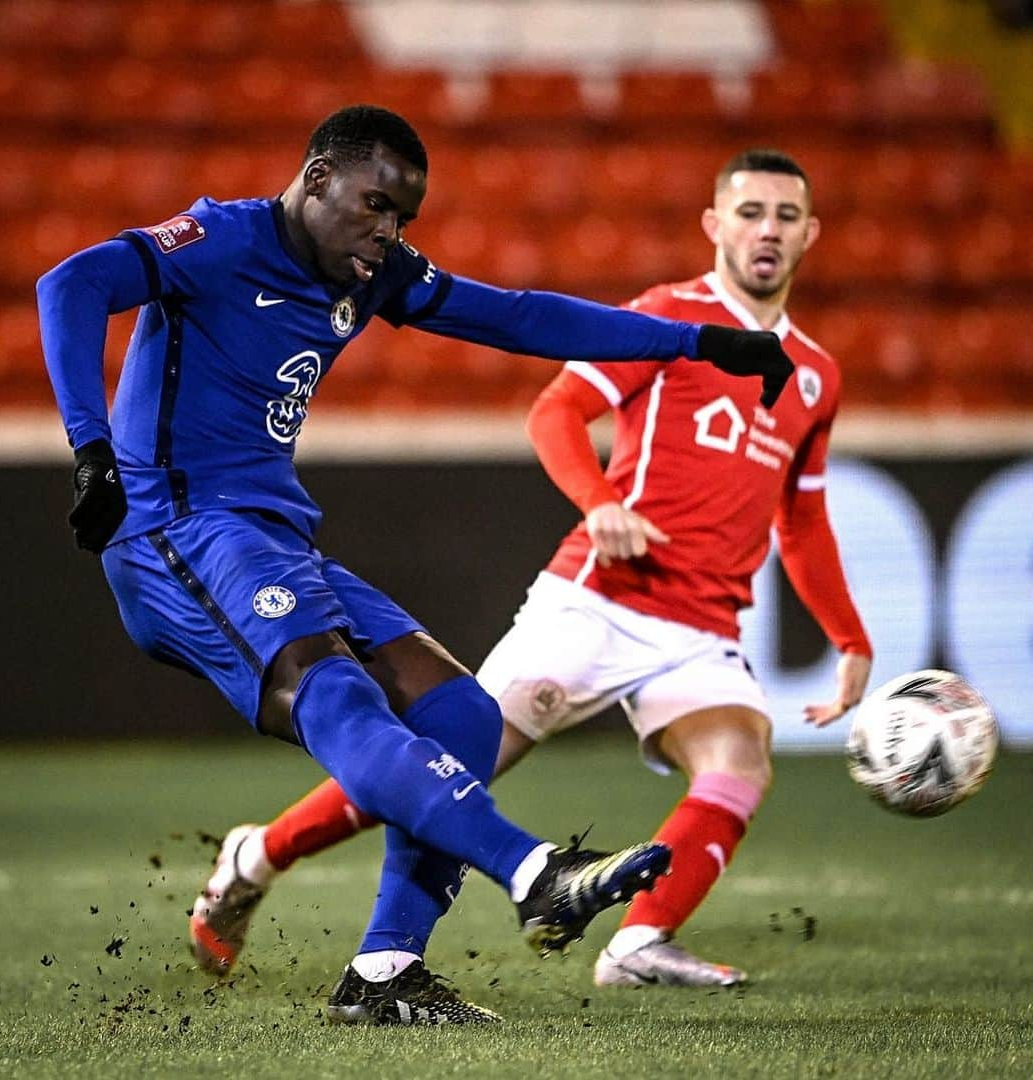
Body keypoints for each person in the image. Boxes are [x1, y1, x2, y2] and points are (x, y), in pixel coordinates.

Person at [37, 107, 796, 1025]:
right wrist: (91, 450)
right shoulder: (220, 239)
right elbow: (72, 282)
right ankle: (535, 871)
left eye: (403, 217)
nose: (388, 233)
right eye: (374, 205)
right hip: (177, 533)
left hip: (271, 535)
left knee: (464, 713)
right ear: (317, 179)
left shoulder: (373, 274)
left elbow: (517, 318)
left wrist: (700, 343)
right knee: (342, 697)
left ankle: (385, 974)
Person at [189, 147, 872, 992]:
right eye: (749, 212)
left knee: (740, 758)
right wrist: (599, 501)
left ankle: (639, 944)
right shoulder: (670, 317)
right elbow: (557, 412)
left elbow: (800, 516)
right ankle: (257, 856)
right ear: (715, 225)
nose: (766, 230)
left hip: (703, 625)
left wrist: (847, 636)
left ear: (811, 233)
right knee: (446, 763)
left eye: (785, 216)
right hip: (600, 599)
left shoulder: (817, 374)